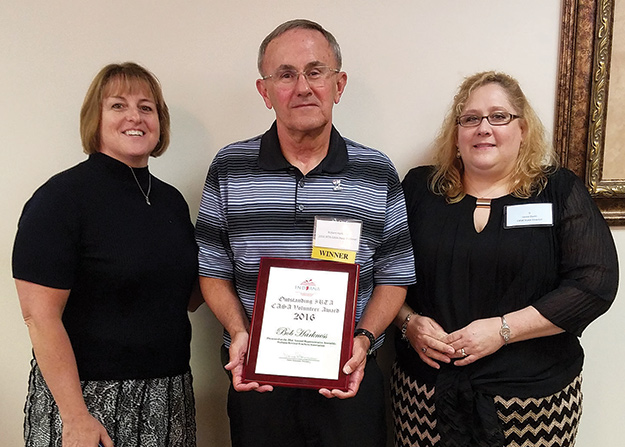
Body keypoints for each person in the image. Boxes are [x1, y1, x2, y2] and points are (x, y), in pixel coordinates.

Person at [196, 19, 416, 447]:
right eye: (285, 74)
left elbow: (395, 274)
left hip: (348, 376)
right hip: (255, 380)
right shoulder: (229, 167)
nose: (302, 87)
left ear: (339, 84)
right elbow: (212, 271)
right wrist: (239, 333)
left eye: (316, 71)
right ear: (265, 91)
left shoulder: (376, 171)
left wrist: (364, 339)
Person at [391, 71, 619, 447]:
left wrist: (501, 330)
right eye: (470, 118)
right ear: (457, 132)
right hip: (426, 398)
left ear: (523, 129)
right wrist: (408, 323)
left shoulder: (558, 191)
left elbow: (594, 284)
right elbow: (385, 272)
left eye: (499, 116)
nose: (484, 128)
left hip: (534, 405)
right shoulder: (420, 189)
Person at [13, 62, 200, 447]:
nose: (135, 116)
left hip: (170, 397)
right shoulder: (60, 199)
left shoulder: (171, 202)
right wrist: (75, 416)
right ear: (95, 119)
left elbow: (189, 297)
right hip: (87, 401)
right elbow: (39, 316)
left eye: (146, 107)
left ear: (159, 122)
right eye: (118, 105)